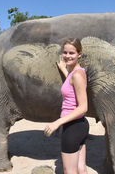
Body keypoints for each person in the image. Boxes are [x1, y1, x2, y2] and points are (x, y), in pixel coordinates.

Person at [44, 38, 89, 174]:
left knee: (69, 170)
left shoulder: (77, 76)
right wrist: (64, 70)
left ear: (79, 54)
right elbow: (72, 83)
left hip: (73, 128)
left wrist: (57, 123)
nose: (67, 56)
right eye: (65, 53)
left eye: (72, 53)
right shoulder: (77, 72)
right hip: (80, 125)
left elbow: (83, 107)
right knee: (81, 168)